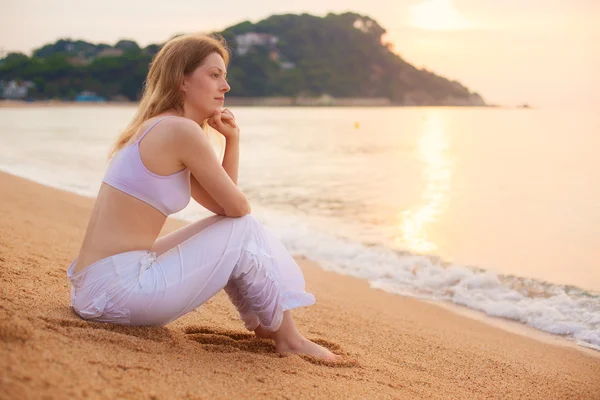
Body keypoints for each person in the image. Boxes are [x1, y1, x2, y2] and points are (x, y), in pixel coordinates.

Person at [66, 33, 337, 361]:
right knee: (244, 228)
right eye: (214, 75)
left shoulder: (161, 128)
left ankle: (268, 323)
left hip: (97, 287)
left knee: (232, 229)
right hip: (119, 291)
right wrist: (232, 147)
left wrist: (232, 142)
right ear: (182, 80)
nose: (225, 86)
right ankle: (287, 336)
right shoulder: (181, 132)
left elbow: (224, 209)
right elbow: (238, 209)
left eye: (224, 76)